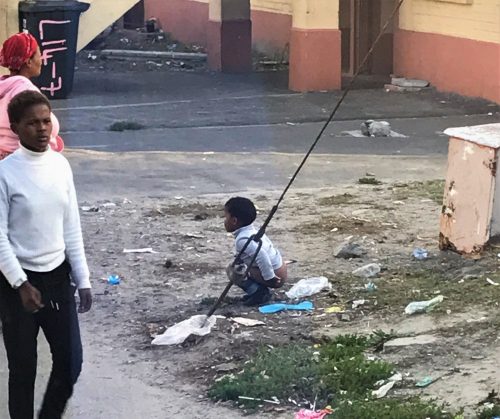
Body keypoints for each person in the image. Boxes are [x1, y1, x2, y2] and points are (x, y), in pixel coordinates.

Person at [0, 90, 91, 419]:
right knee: (23, 370)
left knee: (70, 363)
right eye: (32, 123)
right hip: (16, 287)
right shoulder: (5, 173)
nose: (41, 129)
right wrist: (20, 284)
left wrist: (83, 279)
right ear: (15, 127)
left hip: (57, 279)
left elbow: (71, 225)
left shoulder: (61, 166)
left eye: (46, 121)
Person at [0, 31, 63, 160]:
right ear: (28, 61)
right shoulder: (25, 91)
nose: (41, 60)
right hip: (25, 160)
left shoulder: (4, 86)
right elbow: (47, 129)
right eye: (39, 55)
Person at [224, 196, 287, 306]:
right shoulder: (253, 231)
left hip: (276, 275)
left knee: (233, 270)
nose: (224, 221)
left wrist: (270, 277)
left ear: (234, 221)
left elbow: (262, 255)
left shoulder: (242, 239)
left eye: (226, 217)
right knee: (239, 264)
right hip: (280, 268)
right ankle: (258, 289)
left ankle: (259, 293)